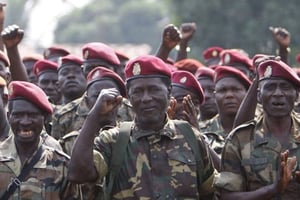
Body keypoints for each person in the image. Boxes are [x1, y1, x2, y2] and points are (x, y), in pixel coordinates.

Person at [68, 55, 215, 199]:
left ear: (169, 91)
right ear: (129, 97)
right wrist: (94, 115)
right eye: (137, 92)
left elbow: (210, 191)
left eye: (154, 90)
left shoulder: (191, 138)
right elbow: (78, 174)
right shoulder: (113, 140)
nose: (146, 98)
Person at [215, 59, 300, 199]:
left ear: (296, 96)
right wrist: (273, 189)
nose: (278, 93)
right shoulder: (240, 138)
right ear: (259, 96)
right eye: (271, 87)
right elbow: (227, 196)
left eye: (285, 87)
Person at [0, 81, 79, 199]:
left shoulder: (61, 165)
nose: (25, 122)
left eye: (32, 115)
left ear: (45, 118)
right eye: (18, 115)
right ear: (8, 116)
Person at [54, 66, 126, 145]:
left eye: (111, 95)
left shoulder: (129, 136)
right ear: (86, 101)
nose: (104, 101)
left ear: (120, 102)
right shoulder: (70, 142)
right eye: (97, 96)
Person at [201, 66, 251, 155]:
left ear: (247, 93)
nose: (229, 95)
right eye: (222, 90)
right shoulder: (203, 132)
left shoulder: (261, 129)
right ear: (215, 96)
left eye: (235, 89)